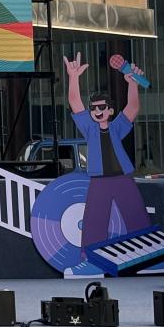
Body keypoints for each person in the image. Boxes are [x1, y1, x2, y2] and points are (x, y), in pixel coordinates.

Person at [63, 52, 151, 255]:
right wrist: (73, 77)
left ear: (110, 111)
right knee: (94, 220)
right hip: (99, 180)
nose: (97, 111)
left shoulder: (117, 127)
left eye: (102, 107)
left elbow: (133, 107)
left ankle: (148, 256)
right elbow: (75, 101)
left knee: (136, 216)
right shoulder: (89, 128)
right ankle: (89, 260)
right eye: (93, 108)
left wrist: (132, 84)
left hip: (122, 177)